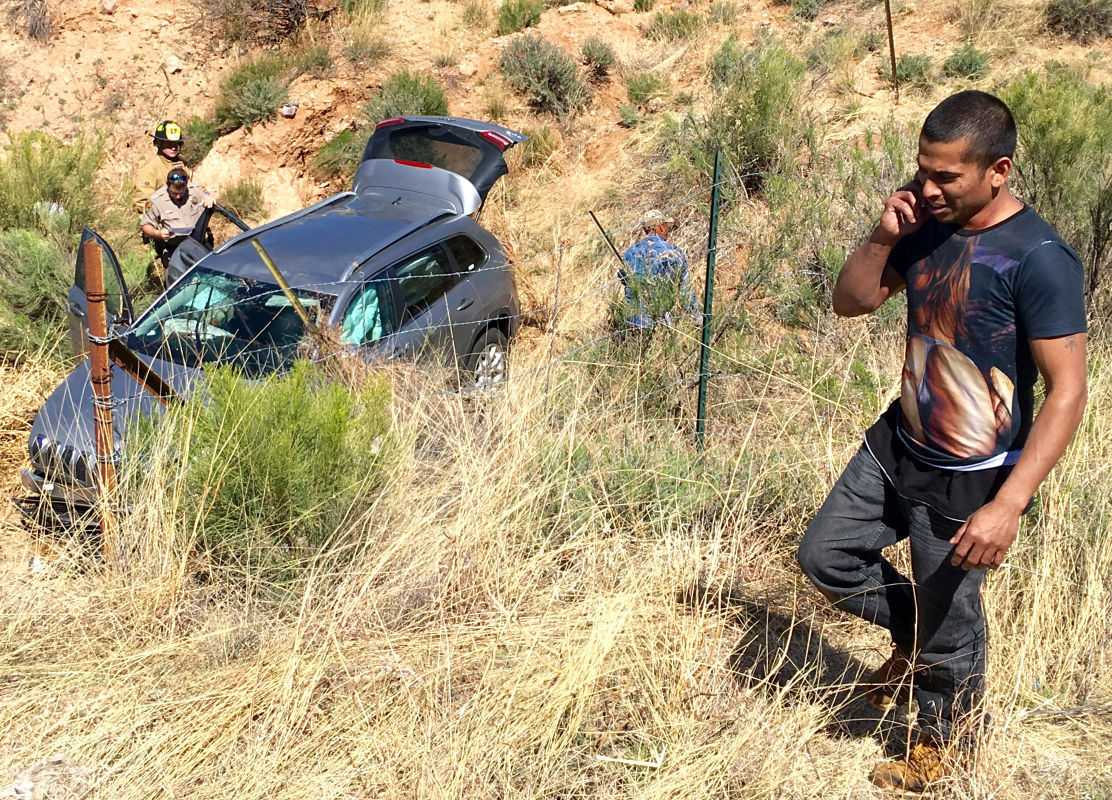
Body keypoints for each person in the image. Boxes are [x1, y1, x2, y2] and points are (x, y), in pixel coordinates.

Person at [796, 90, 1087, 793]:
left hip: (972, 476)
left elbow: (1068, 391)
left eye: (945, 177)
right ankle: (912, 639)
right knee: (825, 556)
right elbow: (852, 301)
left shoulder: (1040, 258)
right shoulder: (921, 225)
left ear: (999, 171)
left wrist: (1010, 504)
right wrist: (882, 236)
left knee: (952, 625)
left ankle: (943, 750)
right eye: (922, 171)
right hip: (898, 446)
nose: (927, 188)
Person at [620, 209, 696, 328]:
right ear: (660, 227)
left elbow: (627, 282)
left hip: (633, 322)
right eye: (666, 226)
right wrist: (696, 317)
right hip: (660, 323)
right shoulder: (673, 253)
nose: (668, 231)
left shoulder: (629, 253)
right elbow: (685, 292)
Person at [140, 168, 213, 284]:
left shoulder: (198, 189)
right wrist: (157, 233)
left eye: (181, 193)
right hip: (173, 249)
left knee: (207, 281)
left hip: (198, 245)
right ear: (167, 185)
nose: (178, 196)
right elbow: (146, 225)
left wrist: (210, 199)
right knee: (176, 286)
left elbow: (212, 199)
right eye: (174, 193)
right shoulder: (156, 200)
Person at [132, 120, 189, 215]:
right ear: (159, 143)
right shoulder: (150, 169)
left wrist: (206, 196)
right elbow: (142, 202)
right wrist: (160, 217)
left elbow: (195, 189)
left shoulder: (183, 165)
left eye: (176, 144)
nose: (174, 147)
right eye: (169, 144)